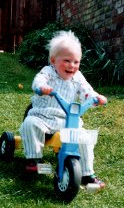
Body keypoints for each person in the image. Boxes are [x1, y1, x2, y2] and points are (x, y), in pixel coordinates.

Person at [19, 30, 107, 188]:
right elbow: (38, 80)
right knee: (29, 124)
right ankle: (34, 160)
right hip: (43, 117)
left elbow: (87, 90)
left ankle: (87, 174)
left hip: (67, 121)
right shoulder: (48, 72)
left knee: (85, 138)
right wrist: (41, 87)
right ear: (53, 60)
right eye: (67, 60)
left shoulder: (78, 77)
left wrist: (95, 97)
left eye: (76, 62)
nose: (72, 66)